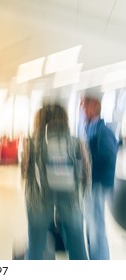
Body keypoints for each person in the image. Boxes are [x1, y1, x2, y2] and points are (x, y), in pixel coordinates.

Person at [23, 104, 91, 260]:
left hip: (38, 199)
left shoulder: (32, 143)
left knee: (35, 250)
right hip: (71, 199)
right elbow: (87, 172)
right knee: (78, 250)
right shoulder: (77, 142)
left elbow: (25, 172)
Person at [80, 87, 117, 260]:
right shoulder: (89, 129)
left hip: (97, 184)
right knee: (91, 226)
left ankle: (100, 262)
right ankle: (96, 259)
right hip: (90, 184)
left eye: (84, 103)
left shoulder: (103, 131)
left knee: (96, 226)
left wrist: (87, 166)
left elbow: (108, 159)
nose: (81, 108)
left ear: (94, 106)